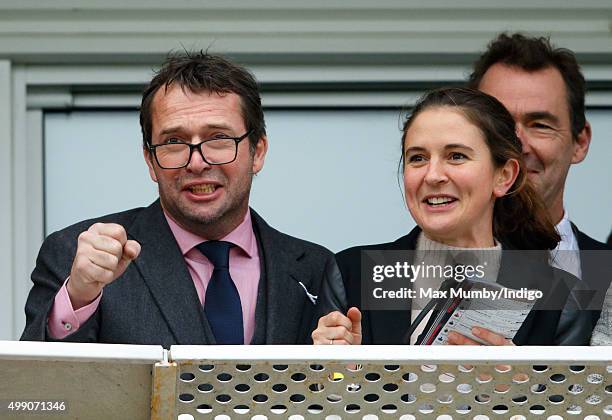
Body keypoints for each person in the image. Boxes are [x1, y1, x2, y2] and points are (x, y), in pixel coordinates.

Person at [21, 52, 345, 348]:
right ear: (150, 161)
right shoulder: (77, 259)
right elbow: (35, 396)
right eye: (173, 142)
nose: (197, 162)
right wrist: (77, 297)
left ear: (257, 151)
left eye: (218, 138)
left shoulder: (316, 268)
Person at [313, 87, 572, 346]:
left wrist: (515, 382)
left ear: (504, 176)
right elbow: (324, 385)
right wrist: (343, 372)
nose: (433, 175)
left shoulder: (562, 297)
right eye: (417, 158)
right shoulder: (351, 272)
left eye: (456, 156)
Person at [468, 33, 611, 345]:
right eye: (500, 125)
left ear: (580, 142)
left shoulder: (608, 272)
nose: (518, 144)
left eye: (540, 124)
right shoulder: (393, 270)